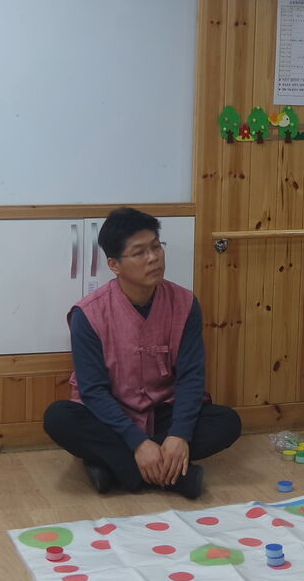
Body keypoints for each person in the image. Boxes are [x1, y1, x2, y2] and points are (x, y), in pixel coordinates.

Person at [42, 208, 242, 497]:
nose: (153, 258)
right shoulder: (89, 314)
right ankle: (173, 476)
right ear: (114, 265)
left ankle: (113, 468)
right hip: (111, 416)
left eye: (156, 247)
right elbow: (93, 391)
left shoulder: (185, 303)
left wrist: (179, 434)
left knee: (227, 422)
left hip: (164, 413)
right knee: (59, 418)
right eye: (139, 253)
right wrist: (138, 442)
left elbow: (191, 376)